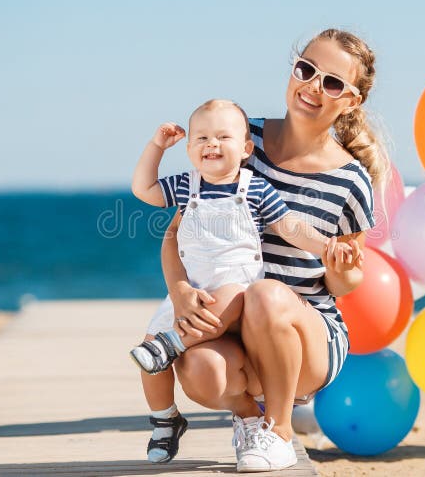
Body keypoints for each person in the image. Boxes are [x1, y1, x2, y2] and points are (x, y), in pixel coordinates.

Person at [161, 29, 388, 472]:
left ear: (351, 101)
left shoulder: (351, 180)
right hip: (236, 325)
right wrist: (181, 293)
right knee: (197, 368)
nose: (312, 86)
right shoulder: (241, 141)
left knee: (265, 293)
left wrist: (340, 264)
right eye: (306, 70)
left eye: (332, 83)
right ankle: (249, 416)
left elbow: (344, 282)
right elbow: (176, 235)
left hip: (307, 336)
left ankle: (280, 430)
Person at [129, 99, 358, 464]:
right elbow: (144, 190)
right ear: (189, 150)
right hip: (192, 293)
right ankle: (164, 419)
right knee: (149, 349)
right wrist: (156, 147)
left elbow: (290, 227)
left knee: (229, 298)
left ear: (246, 148)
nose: (211, 144)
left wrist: (327, 245)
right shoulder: (186, 187)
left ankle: (176, 343)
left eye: (223, 136)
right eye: (201, 137)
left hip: (238, 292)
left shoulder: (254, 189)